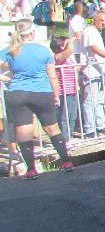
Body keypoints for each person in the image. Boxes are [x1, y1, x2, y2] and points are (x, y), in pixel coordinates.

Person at [0, 20, 73, 178]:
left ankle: (31, 169)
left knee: (23, 131)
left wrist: (6, 78)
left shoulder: (10, 50)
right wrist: (56, 95)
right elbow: (52, 76)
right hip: (42, 93)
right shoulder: (43, 50)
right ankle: (66, 161)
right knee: (52, 127)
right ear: (32, 33)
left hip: (17, 93)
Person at [50, 36, 80, 143]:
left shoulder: (68, 57)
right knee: (64, 116)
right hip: (63, 91)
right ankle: (65, 138)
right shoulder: (56, 57)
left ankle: (69, 135)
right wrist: (70, 41)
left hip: (72, 89)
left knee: (72, 115)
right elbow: (70, 49)